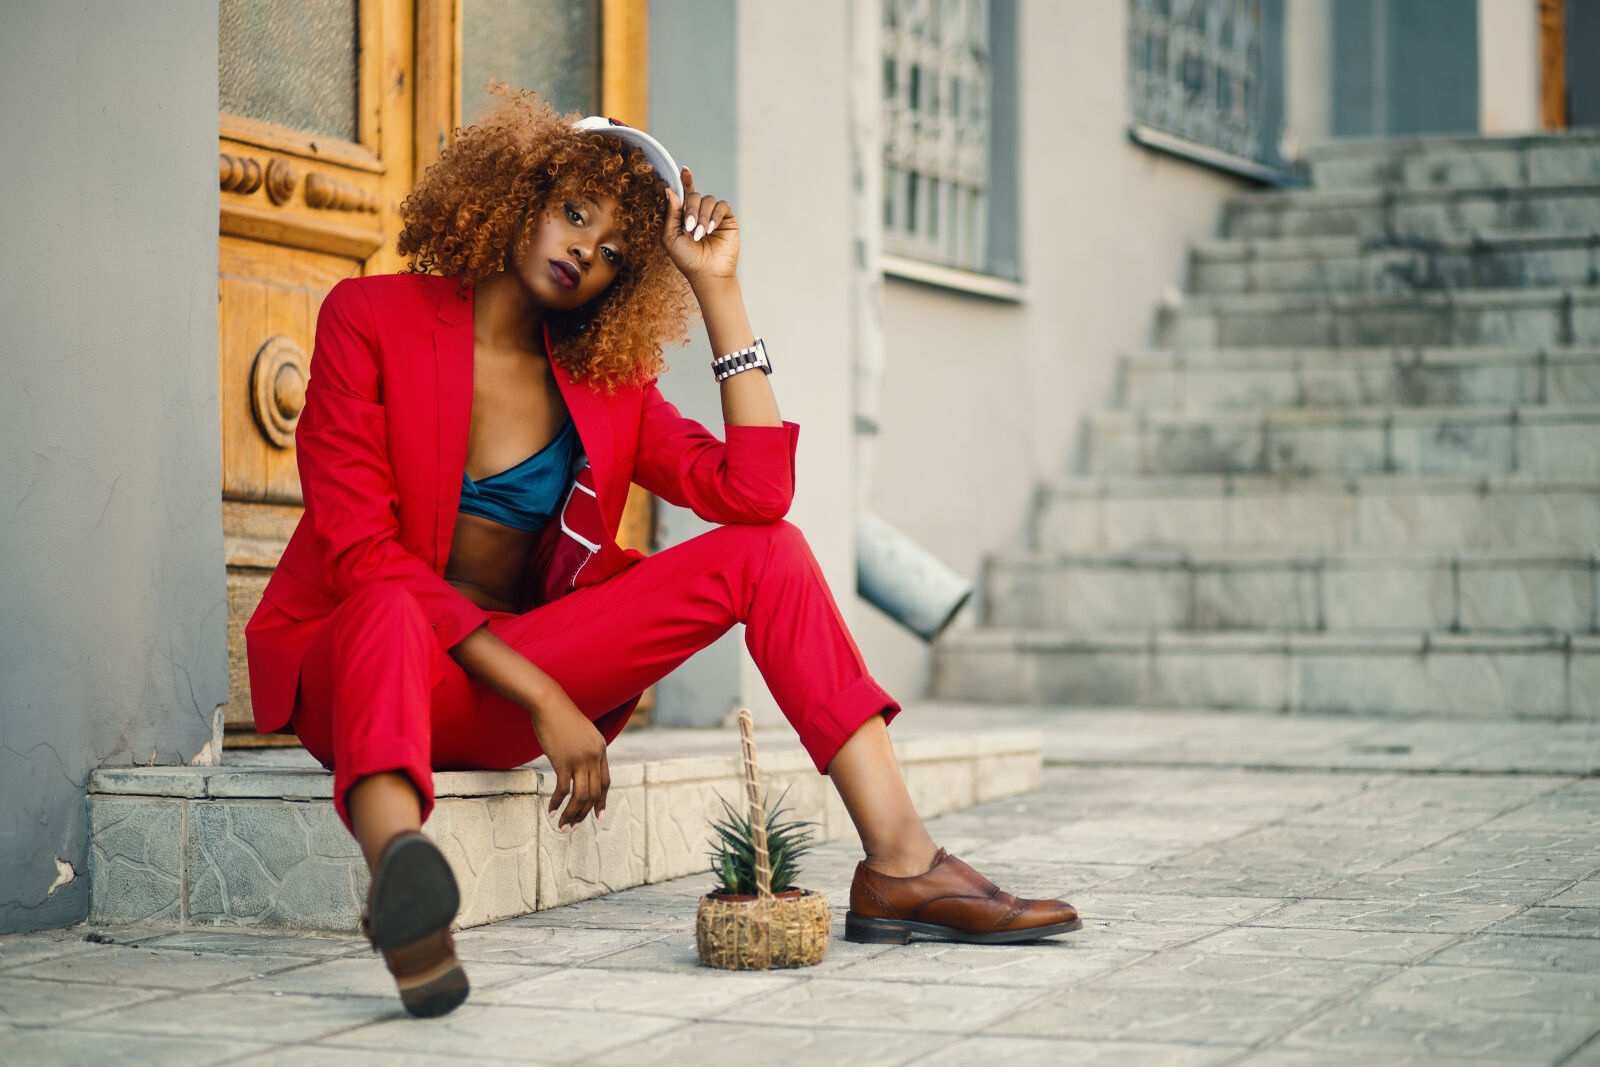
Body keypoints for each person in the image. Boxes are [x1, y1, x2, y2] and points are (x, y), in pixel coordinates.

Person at [245, 85, 1079, 1018]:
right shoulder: (370, 317)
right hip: (367, 665)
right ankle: (406, 893)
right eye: (572, 214)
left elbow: (757, 496)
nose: (581, 253)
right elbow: (363, 554)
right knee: (393, 601)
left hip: (495, 683)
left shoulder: (609, 386)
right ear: (525, 192)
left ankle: (903, 862)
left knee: (771, 552)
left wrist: (718, 289)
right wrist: (546, 697)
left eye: (612, 254)